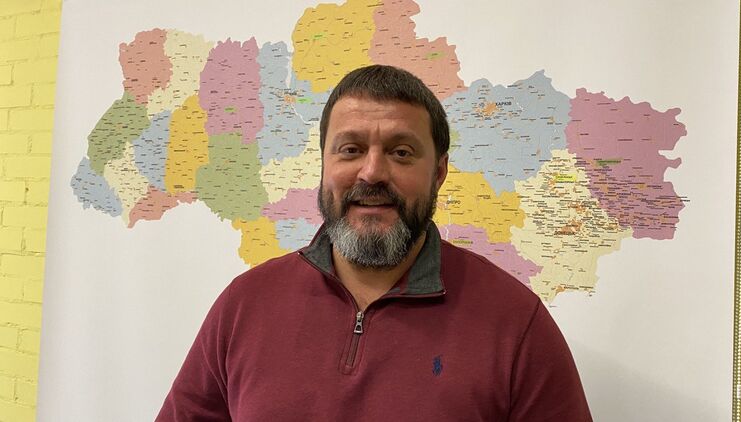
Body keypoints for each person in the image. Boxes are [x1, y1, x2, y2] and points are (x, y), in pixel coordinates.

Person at [157, 65, 593, 421]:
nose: (371, 173)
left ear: (439, 173)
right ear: (324, 164)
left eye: (401, 152)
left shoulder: (517, 324)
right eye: (350, 149)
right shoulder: (243, 307)